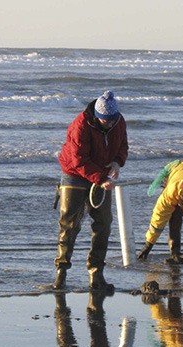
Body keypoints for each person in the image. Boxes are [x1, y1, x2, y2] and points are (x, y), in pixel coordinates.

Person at [53, 91, 128, 292]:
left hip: (101, 176)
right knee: (69, 223)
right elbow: (78, 160)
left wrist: (117, 162)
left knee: (103, 224)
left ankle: (96, 274)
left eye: (112, 121)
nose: (110, 124)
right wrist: (101, 178)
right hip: (74, 174)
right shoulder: (81, 125)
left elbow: (123, 147)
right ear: (97, 116)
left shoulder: (119, 122)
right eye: (106, 121)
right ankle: (61, 272)